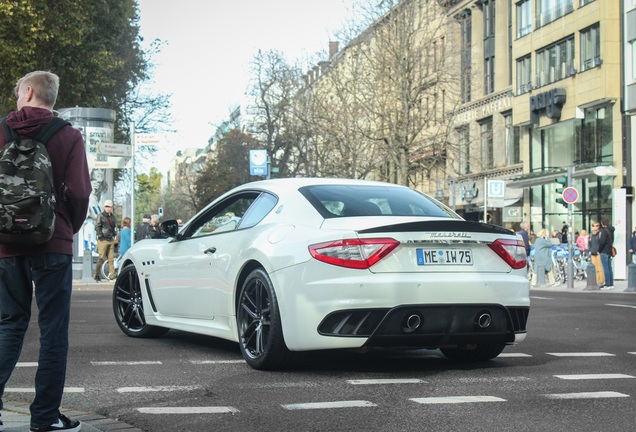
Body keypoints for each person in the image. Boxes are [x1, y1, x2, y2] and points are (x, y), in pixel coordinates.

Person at [0, 71, 90, 432]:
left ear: (29, 91)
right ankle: (45, 418)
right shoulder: (68, 135)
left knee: (8, 326)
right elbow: (80, 193)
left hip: (5, 245)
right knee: (53, 331)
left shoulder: (2, 131)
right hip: (54, 243)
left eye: (18, 92)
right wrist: (67, 230)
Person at [94, 199, 117, 281]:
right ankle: (96, 274)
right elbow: (97, 226)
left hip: (110, 239)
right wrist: (100, 235)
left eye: (109, 207)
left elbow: (113, 227)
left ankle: (112, 275)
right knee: (101, 258)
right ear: (104, 207)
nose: (108, 208)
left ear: (111, 207)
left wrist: (114, 233)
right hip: (102, 240)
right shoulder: (101, 216)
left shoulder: (113, 217)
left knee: (111, 259)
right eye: (106, 206)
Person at [588, 221, 605, 289]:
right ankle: (597, 280)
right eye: (594, 225)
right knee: (595, 268)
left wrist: (599, 250)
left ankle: (601, 281)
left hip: (598, 252)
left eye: (597, 225)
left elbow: (601, 243)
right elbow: (589, 243)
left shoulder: (600, 233)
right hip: (593, 252)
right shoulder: (591, 234)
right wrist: (590, 250)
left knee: (600, 267)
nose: (595, 227)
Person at [598, 218, 614, 290]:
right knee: (609, 267)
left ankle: (607, 284)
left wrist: (599, 250)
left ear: (602, 223)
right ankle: (611, 283)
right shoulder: (611, 230)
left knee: (606, 268)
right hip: (609, 251)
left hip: (604, 251)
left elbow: (602, 242)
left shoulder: (604, 231)